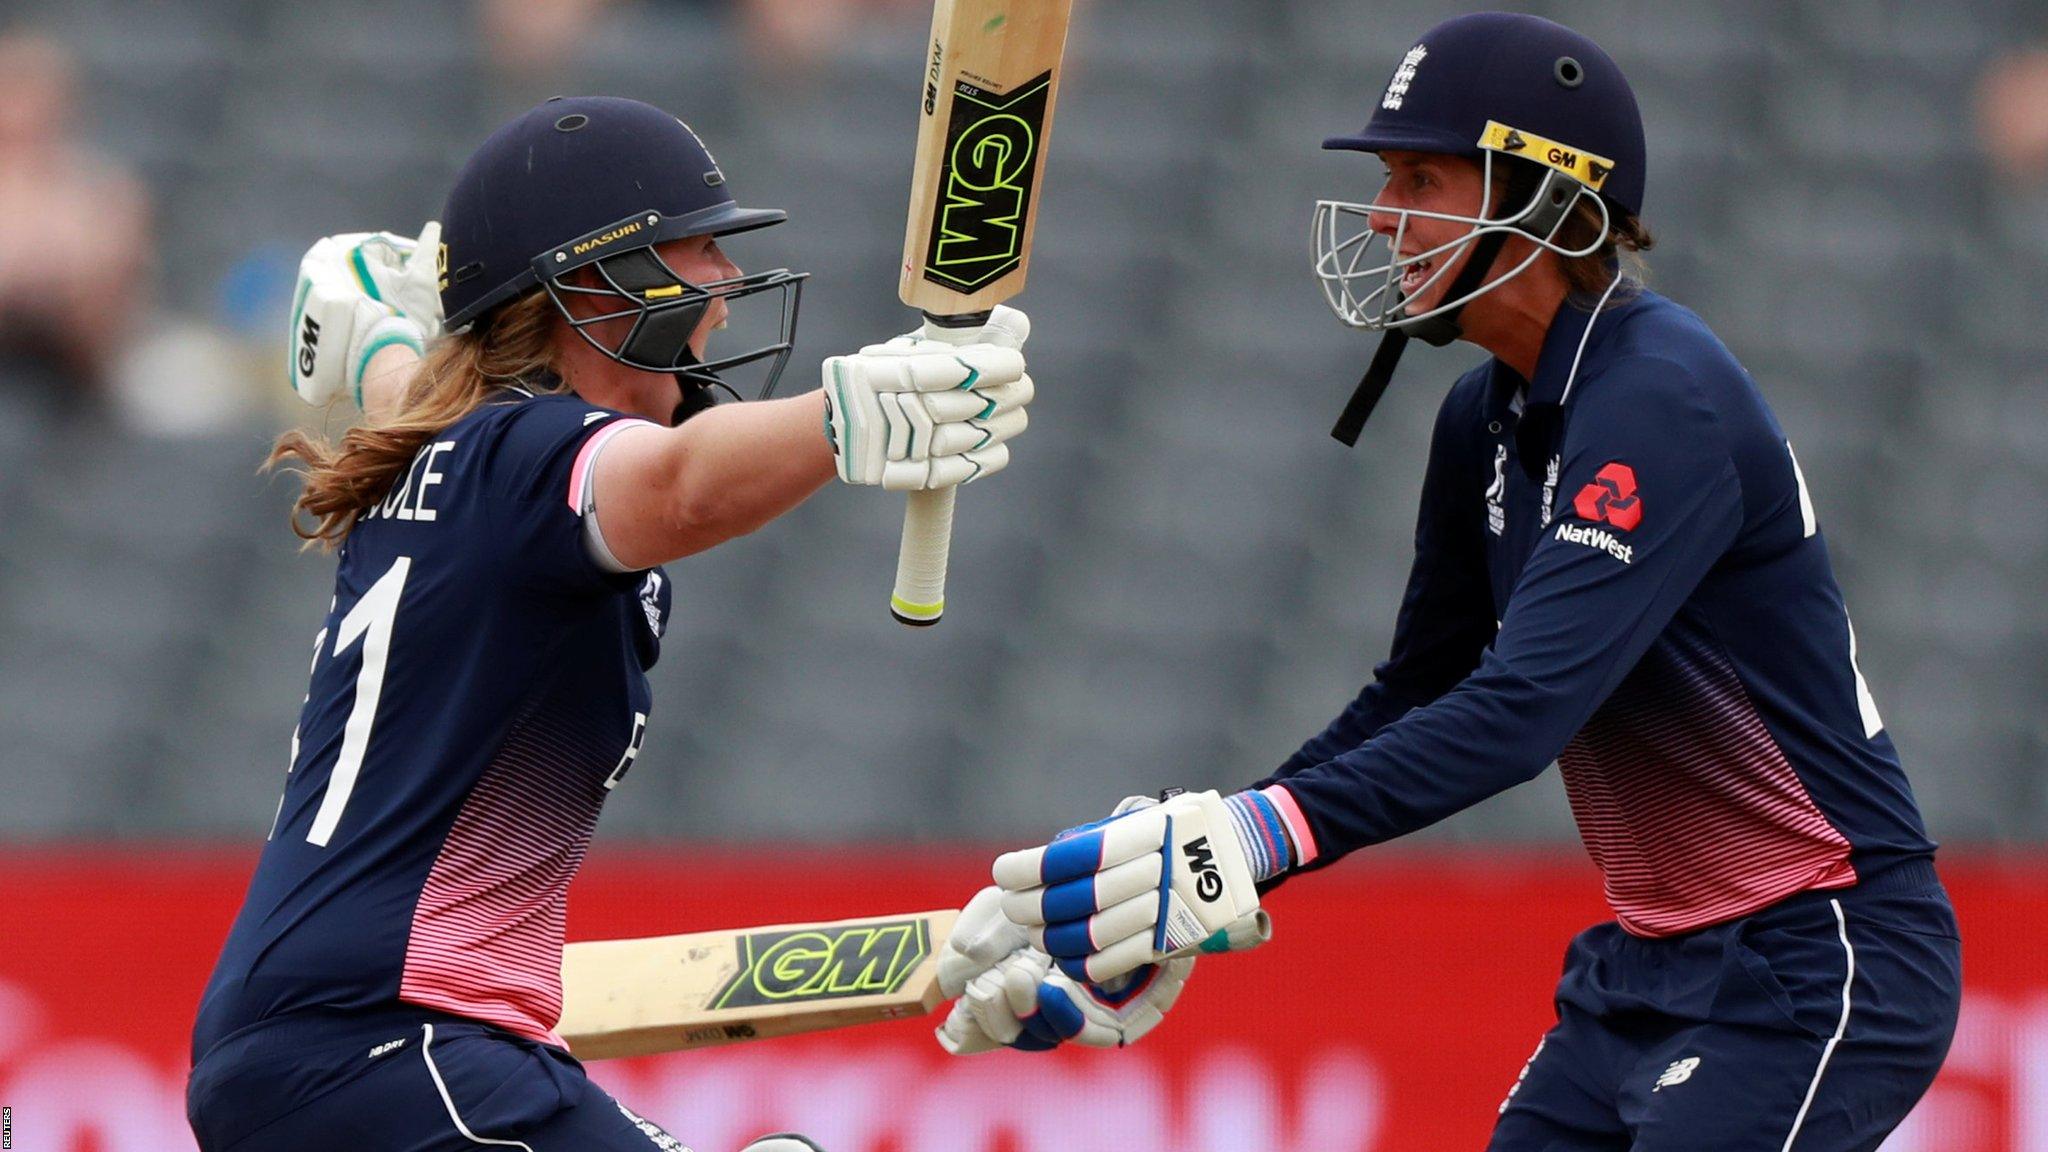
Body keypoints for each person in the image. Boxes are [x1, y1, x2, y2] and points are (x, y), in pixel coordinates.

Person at [946, 13, 1961, 1151]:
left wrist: (1246, 839)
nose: (1383, 216)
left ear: (1542, 202)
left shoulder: (1660, 397)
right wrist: (1202, 881)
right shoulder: (1481, 413)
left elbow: (1521, 711)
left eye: (1418, 178)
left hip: (1817, 945)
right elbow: (1421, 690)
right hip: (1647, 959)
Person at [185, 95, 1033, 1152]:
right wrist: (848, 417)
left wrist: (376, 339)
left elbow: (400, 376)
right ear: (589, 285)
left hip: (346, 1051)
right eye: (693, 258)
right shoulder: (528, 459)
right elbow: (674, 488)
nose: (722, 295)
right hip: (395, 1045)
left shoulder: (449, 442)